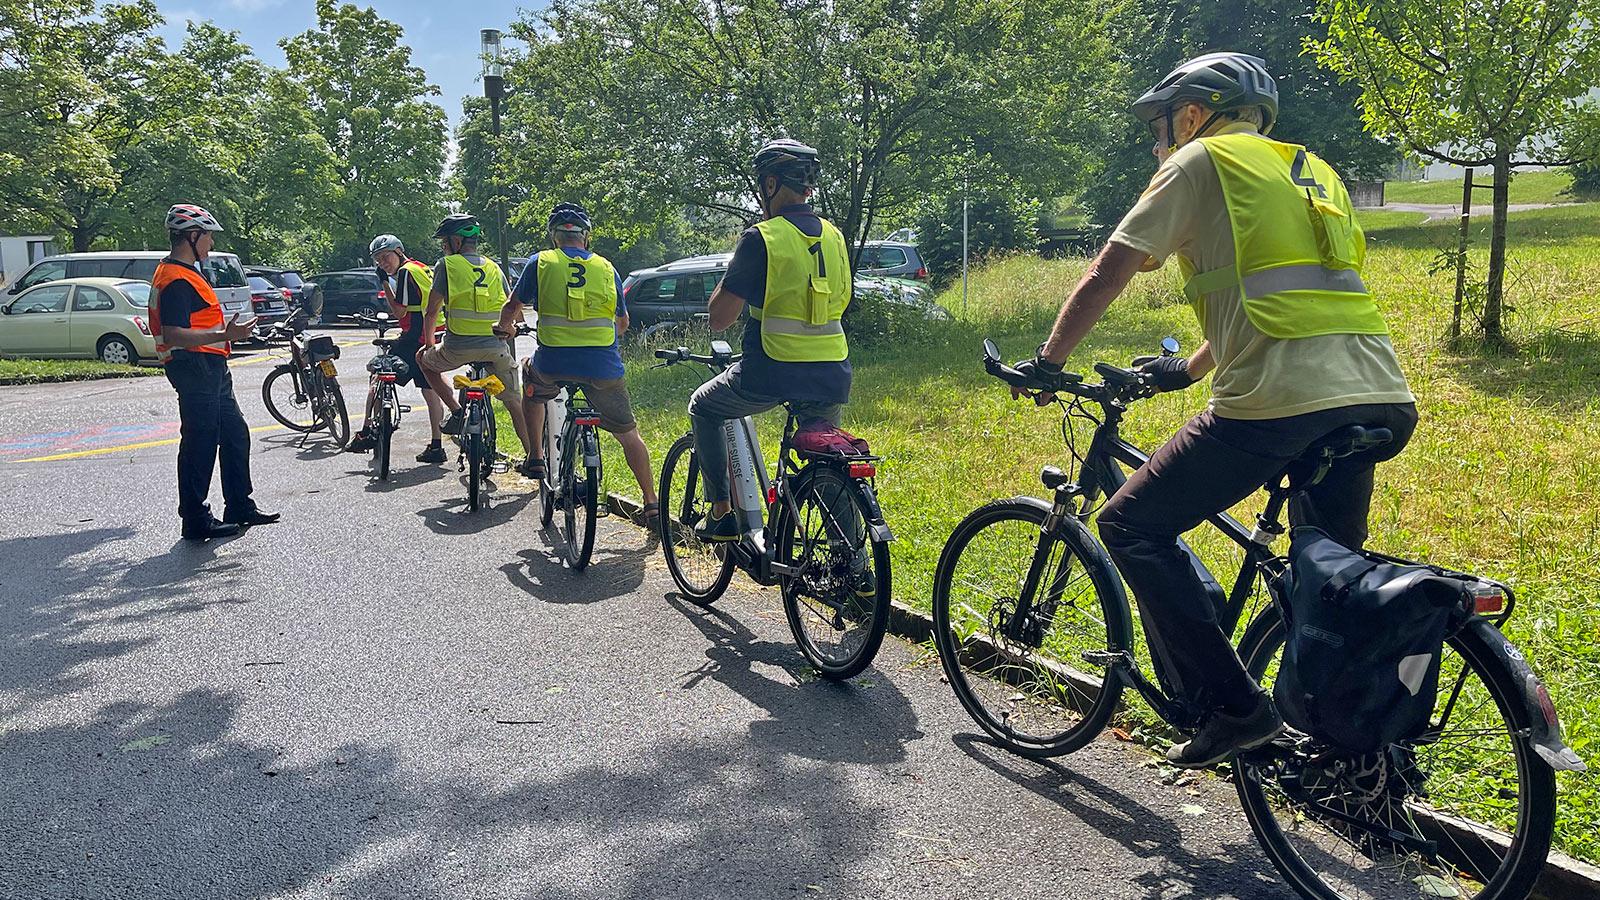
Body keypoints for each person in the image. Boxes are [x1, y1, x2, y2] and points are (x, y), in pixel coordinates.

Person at [1013, 52, 1417, 767]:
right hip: (1381, 395)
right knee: (1331, 583)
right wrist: (1189, 366)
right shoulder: (1311, 169)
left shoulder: (1201, 161)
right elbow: (1280, 288)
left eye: (1161, 125)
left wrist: (1048, 362)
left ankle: (1236, 709)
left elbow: (1109, 268)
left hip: (1278, 402)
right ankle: (1355, 752)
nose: (1158, 141)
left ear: (1194, 113)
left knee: (1129, 525)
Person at [691, 139, 856, 545]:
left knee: (703, 406)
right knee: (826, 458)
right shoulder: (835, 236)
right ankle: (853, 560)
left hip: (769, 372)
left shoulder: (762, 238)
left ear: (770, 184)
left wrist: (733, 276)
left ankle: (721, 513)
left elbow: (719, 318)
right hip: (831, 372)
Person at [514, 202, 659, 520]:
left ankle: (535, 456)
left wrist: (503, 327)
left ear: (554, 237)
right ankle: (651, 502)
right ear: (586, 237)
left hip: (552, 364)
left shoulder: (540, 262)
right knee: (628, 434)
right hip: (602, 368)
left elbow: (513, 306)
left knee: (531, 380)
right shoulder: (607, 268)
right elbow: (623, 323)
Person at [148, 203, 281, 541]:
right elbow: (174, 333)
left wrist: (226, 336)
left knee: (235, 433)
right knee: (200, 441)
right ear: (192, 236)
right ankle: (195, 519)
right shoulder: (176, 279)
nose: (211, 243)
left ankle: (239, 505)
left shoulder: (187, 272)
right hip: (194, 366)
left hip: (211, 366)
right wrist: (225, 335)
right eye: (208, 236)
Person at [416, 213, 534, 463]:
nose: (443, 247)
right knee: (514, 401)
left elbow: (432, 311)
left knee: (423, 361)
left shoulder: (446, 265)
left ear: (457, 241)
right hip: (495, 349)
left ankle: (457, 411)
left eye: (445, 242)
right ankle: (533, 458)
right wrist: (515, 328)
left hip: (457, 348)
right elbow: (513, 307)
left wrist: (428, 346)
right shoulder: (493, 267)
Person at [346, 234, 448, 463]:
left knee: (377, 375)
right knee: (430, 390)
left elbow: (399, 311)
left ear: (399, 252)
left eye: (386, 257)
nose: (383, 263)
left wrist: (384, 283)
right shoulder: (422, 268)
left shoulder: (404, 272)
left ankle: (367, 431)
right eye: (378, 260)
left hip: (415, 338)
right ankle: (437, 445)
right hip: (433, 335)